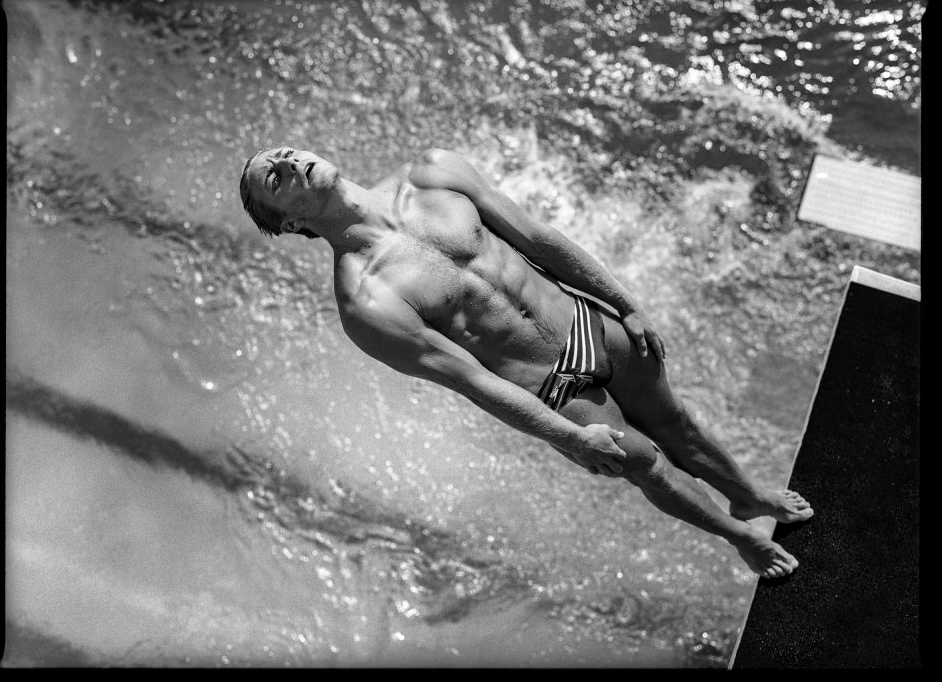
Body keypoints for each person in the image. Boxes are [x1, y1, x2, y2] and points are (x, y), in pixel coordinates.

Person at [238, 146, 813, 578]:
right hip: (551, 383)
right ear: (288, 224)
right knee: (648, 462)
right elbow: (473, 381)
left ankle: (749, 494)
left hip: (585, 323)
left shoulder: (432, 171)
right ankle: (738, 535)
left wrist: (626, 305)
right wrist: (565, 436)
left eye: (288, 153)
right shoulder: (366, 302)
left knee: (677, 422)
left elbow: (539, 239)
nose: (289, 162)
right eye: (275, 176)